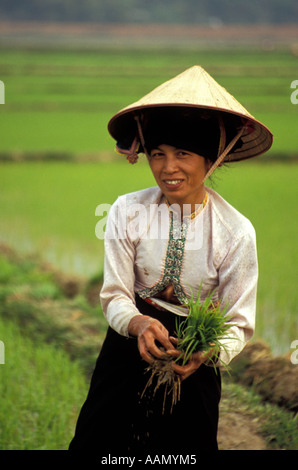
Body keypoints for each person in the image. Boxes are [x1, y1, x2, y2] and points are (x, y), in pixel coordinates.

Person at [69, 66, 273, 453]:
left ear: (210, 160)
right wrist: (139, 322)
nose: (168, 168)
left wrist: (207, 351)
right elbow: (114, 295)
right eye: (158, 154)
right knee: (100, 442)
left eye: (183, 154)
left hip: (194, 353)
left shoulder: (235, 232)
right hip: (127, 346)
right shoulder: (126, 211)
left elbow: (239, 323)